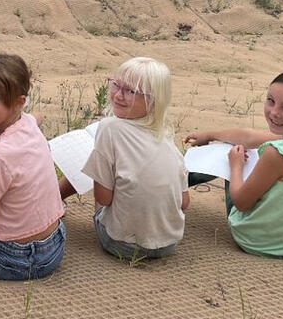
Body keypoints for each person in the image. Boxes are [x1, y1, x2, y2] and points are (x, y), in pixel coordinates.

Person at [185, 69, 283, 257]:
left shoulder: (277, 153)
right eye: (271, 100)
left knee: (230, 155)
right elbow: (250, 137)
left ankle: (172, 183)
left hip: (260, 241)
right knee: (245, 150)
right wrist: (209, 134)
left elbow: (241, 203)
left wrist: (236, 166)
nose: (274, 112)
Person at [62, 57, 189, 261]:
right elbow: (184, 202)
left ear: (153, 100)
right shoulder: (165, 135)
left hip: (122, 245)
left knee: (96, 163)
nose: (118, 95)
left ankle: (54, 202)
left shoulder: (109, 128)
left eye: (130, 91)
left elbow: (103, 199)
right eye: (116, 85)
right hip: (169, 244)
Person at [0, 53, 65, 281]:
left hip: (9, 260)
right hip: (54, 248)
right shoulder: (29, 123)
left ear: (19, 101)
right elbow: (37, 116)